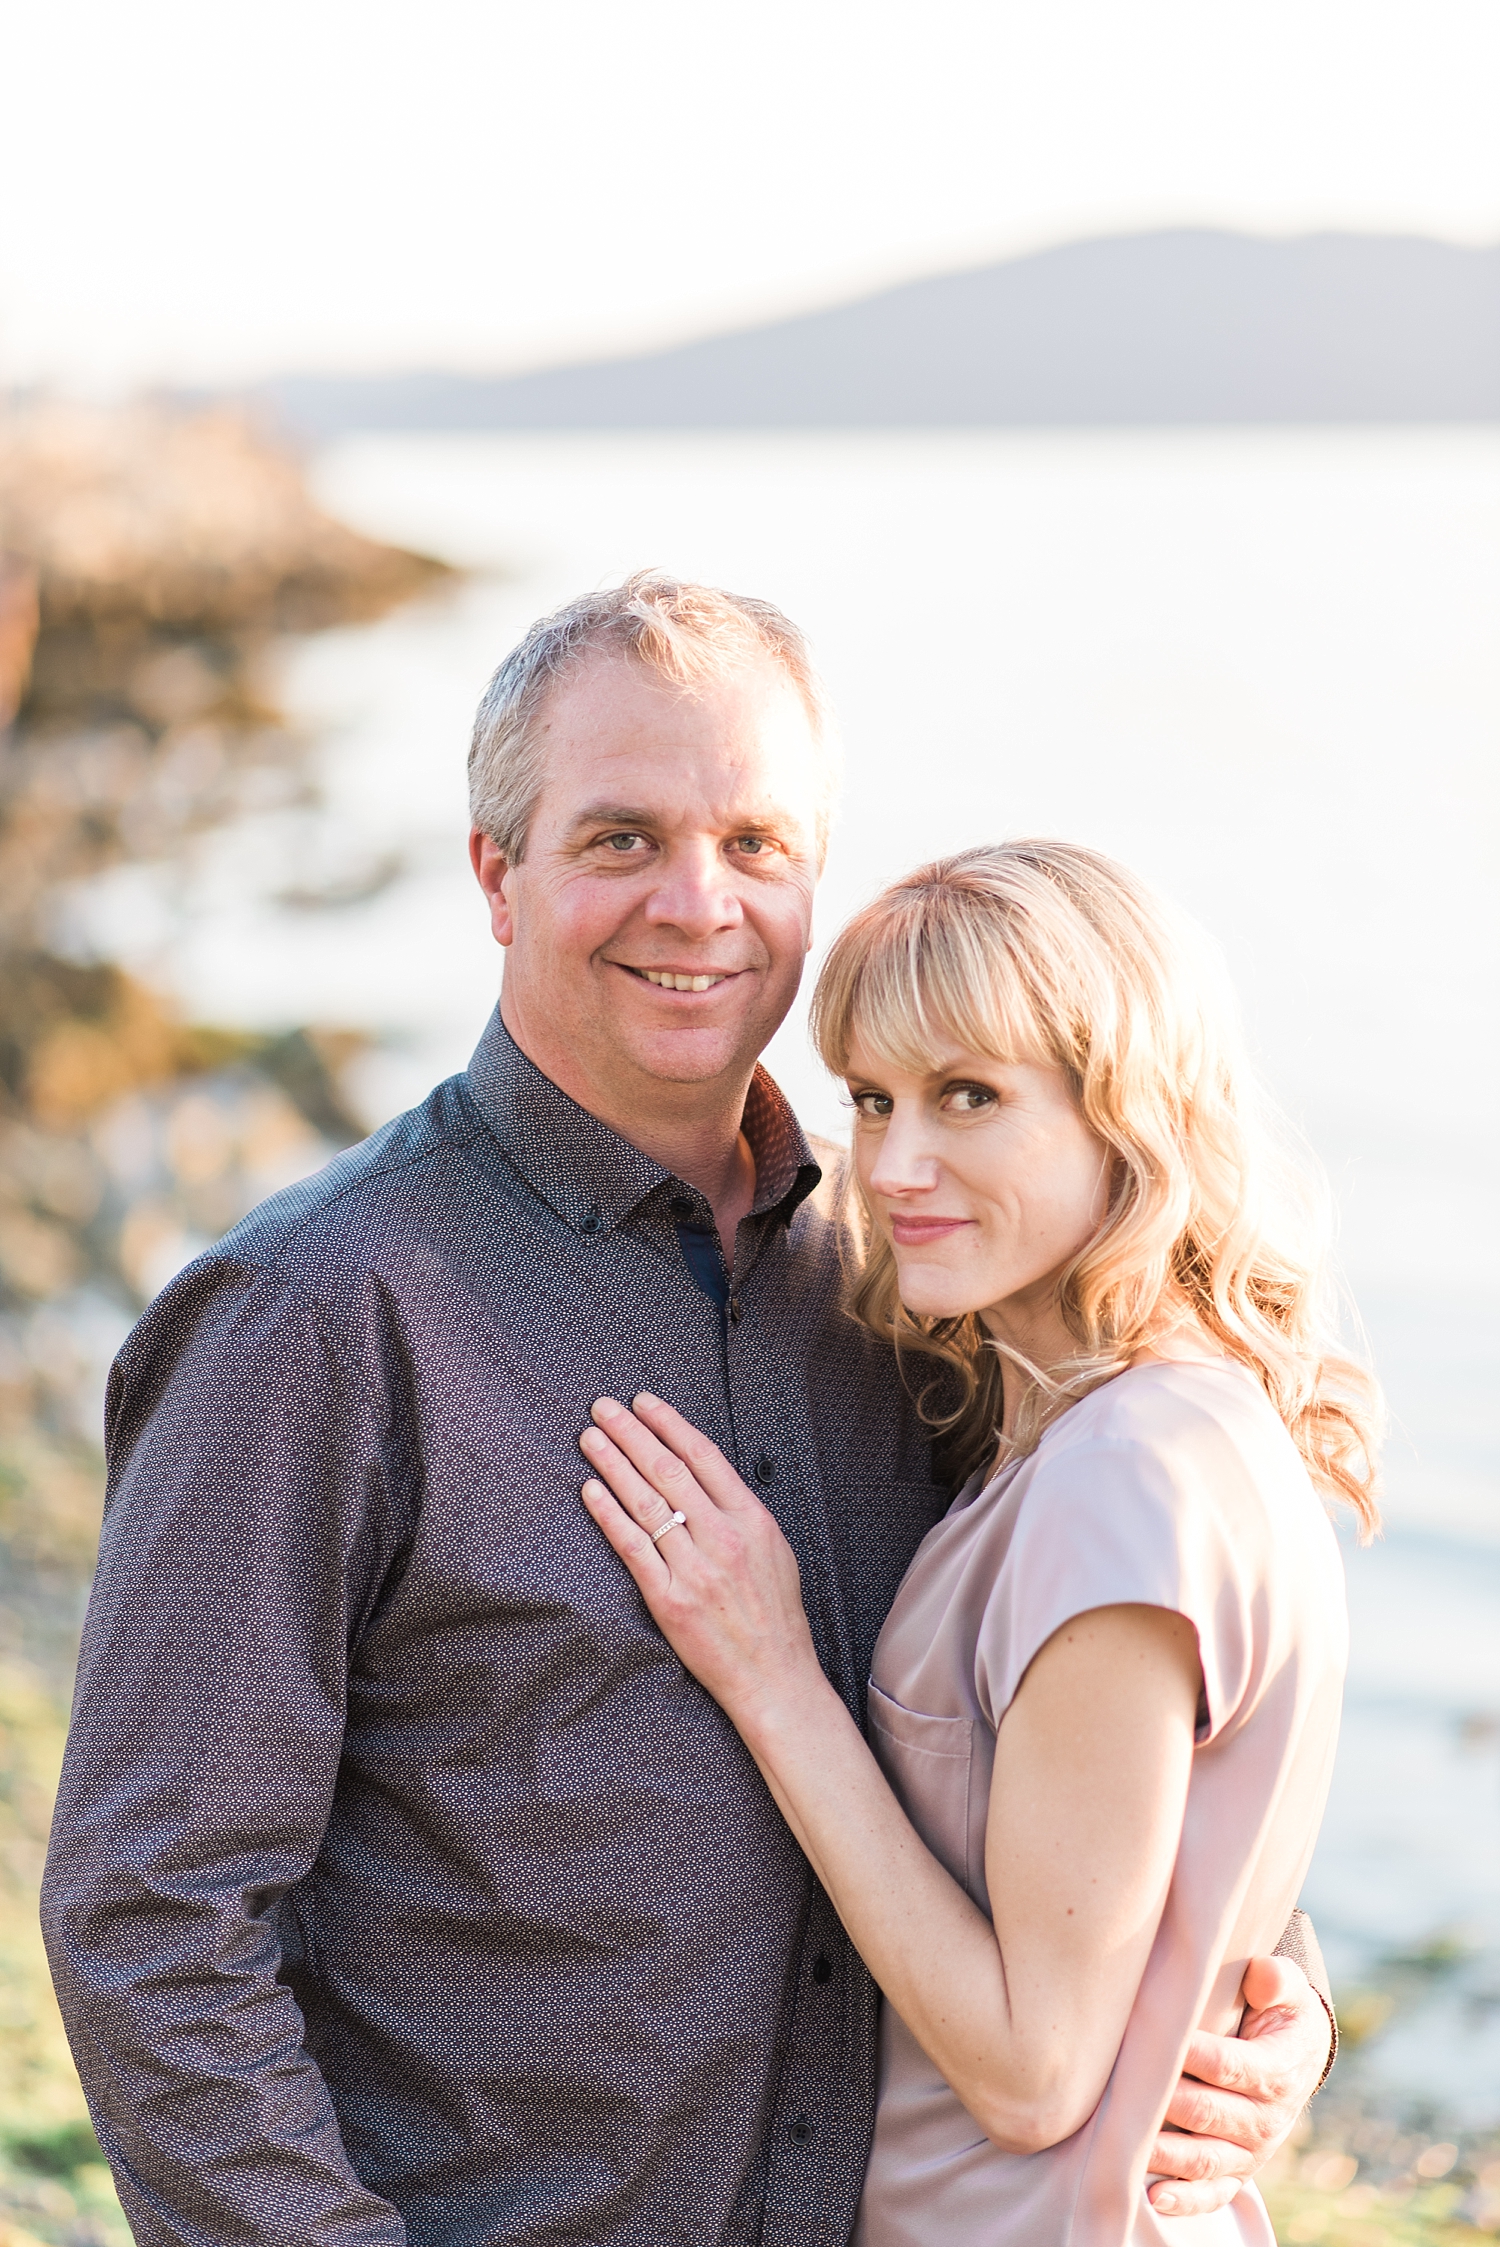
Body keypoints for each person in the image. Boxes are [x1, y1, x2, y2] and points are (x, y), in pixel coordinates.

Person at [43, 581, 1335, 2247]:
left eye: (757, 842)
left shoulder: (903, 1292)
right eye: (620, 840)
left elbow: (1082, 1725)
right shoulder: (313, 1321)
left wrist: (1257, 1988)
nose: (698, 903)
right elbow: (152, 1924)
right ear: (496, 876)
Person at [577, 840, 1381, 2245]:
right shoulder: (1119, 1423)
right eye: (873, 1099)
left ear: (1127, 1117)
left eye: (971, 1098)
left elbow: (1034, 2069)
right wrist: (1291, 2002)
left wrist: (773, 1678)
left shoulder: (1122, 1480)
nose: (892, 1165)